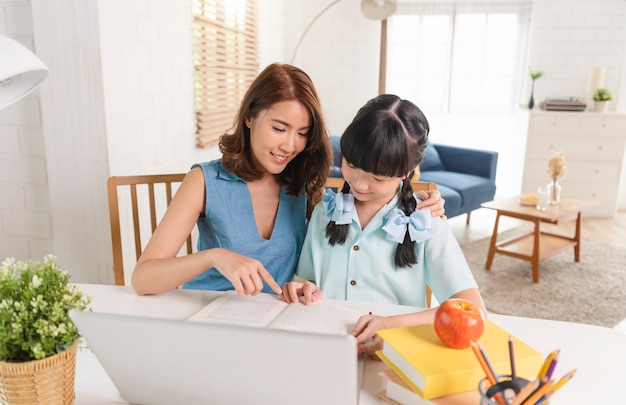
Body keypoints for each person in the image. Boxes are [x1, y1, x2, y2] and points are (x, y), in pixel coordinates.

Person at [131, 63, 446, 297]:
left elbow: (371, 182)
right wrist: (215, 257)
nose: (289, 146)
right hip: (207, 316)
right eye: (279, 128)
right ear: (250, 116)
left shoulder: (307, 182)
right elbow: (143, 279)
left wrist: (421, 199)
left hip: (278, 325)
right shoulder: (204, 181)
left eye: (303, 134)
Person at [281, 94, 486, 357]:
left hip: (395, 358)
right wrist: (304, 289)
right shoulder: (324, 213)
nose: (359, 184)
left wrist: (390, 325)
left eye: (377, 178)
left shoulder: (428, 225)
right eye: (351, 165)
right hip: (325, 353)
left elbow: (474, 309)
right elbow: (306, 279)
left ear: (408, 170)